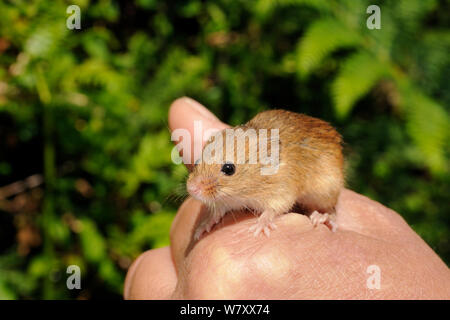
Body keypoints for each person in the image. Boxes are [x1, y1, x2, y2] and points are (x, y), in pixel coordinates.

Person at [124, 97, 450, 299]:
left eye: (225, 170)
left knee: (321, 192)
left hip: (317, 167)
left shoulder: (273, 169)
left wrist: (268, 216)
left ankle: (327, 211)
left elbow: (284, 193)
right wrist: (212, 215)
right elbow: (218, 193)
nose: (195, 186)